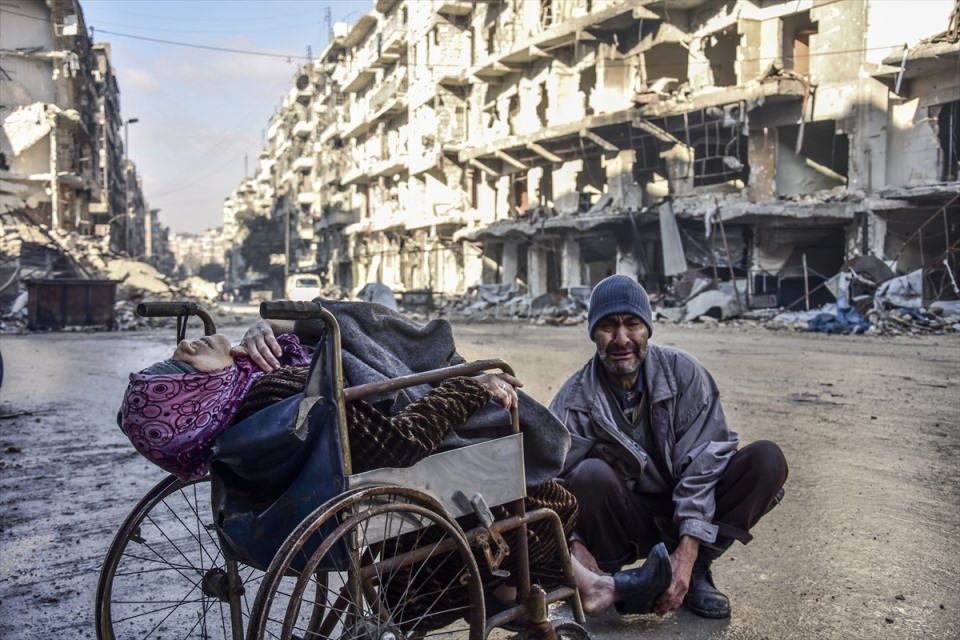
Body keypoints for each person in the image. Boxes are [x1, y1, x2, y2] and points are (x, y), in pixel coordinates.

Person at [548, 274, 788, 619]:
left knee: (766, 460)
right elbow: (548, 481)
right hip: (627, 517)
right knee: (588, 475)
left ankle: (698, 570)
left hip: (689, 506)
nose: (621, 339)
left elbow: (705, 464)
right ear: (593, 334)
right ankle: (614, 583)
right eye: (607, 327)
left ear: (648, 329)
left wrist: (688, 554)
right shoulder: (574, 399)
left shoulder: (684, 373)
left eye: (632, 324)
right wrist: (574, 546)